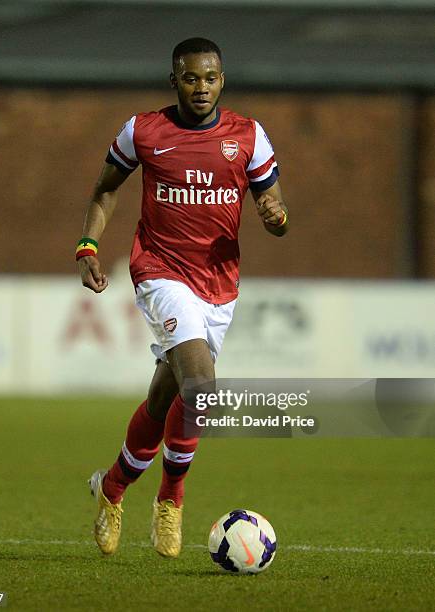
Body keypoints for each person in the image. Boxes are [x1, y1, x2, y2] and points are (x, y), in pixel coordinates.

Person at [77, 37, 289, 559]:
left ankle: (112, 488)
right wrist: (87, 244)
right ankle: (172, 499)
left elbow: (272, 200)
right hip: (161, 271)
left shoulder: (248, 136)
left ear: (223, 80)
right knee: (201, 386)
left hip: (219, 284)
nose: (201, 87)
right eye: (190, 77)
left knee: (162, 399)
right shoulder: (145, 131)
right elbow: (105, 189)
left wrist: (275, 216)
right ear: (174, 80)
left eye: (210, 78)